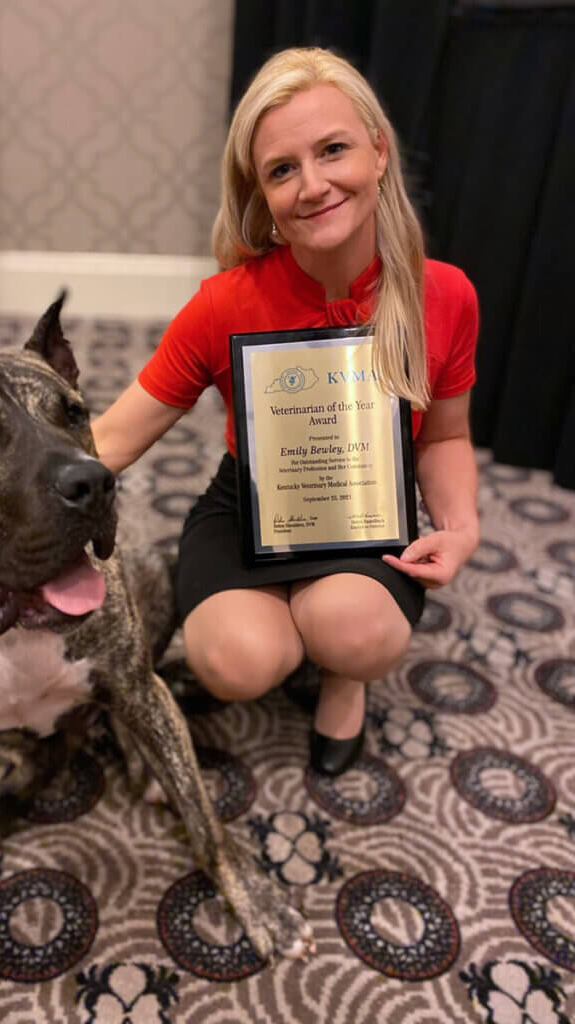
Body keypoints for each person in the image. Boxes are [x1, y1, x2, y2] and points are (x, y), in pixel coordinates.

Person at [92, 47, 479, 777]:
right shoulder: (226, 304)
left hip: (368, 506)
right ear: (261, 192)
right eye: (281, 169)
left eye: (332, 150)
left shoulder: (446, 295)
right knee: (236, 663)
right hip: (251, 505)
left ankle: (343, 674)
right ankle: (294, 622)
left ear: (378, 150)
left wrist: (460, 528)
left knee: (353, 629)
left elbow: (447, 435)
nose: (313, 185)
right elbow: (113, 435)